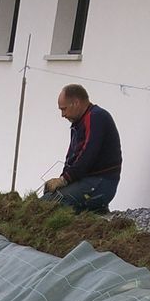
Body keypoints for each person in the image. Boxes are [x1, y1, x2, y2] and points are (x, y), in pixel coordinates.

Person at [41, 84, 122, 213]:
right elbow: (73, 157)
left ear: (76, 103)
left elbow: (88, 154)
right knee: (48, 197)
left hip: (101, 181)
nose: (63, 115)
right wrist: (63, 179)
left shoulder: (96, 117)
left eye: (64, 109)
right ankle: (95, 213)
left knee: (50, 204)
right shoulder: (79, 122)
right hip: (89, 180)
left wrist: (64, 180)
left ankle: (95, 211)